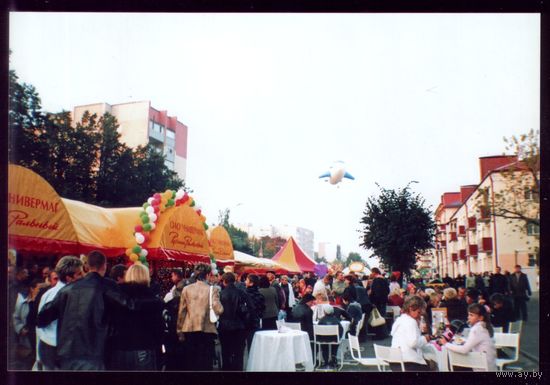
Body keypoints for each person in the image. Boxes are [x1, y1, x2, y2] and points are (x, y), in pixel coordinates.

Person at [37, 250, 140, 370]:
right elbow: (129, 307)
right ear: (104, 266)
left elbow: (42, 317)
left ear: (86, 266)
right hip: (94, 353)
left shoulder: (67, 289)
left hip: (67, 353)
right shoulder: (107, 286)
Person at [108, 263, 164, 370]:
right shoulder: (154, 299)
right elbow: (158, 329)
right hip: (144, 348)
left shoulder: (115, 295)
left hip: (119, 348)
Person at [35, 256, 84, 371]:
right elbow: (40, 322)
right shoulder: (59, 295)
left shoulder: (49, 293)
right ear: (69, 278)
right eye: (79, 274)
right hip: (55, 350)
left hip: (51, 347)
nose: (83, 276)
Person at [176, 263, 223, 371]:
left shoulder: (186, 289)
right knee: (205, 362)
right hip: (207, 330)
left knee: (191, 362)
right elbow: (219, 309)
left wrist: (179, 331)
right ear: (207, 275)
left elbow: (181, 312)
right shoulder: (212, 290)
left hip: (189, 329)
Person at [440, 303, 497, 371]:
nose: (468, 317)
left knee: (453, 362)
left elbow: (464, 350)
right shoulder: (485, 326)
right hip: (490, 365)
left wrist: (446, 344)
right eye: (468, 314)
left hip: (482, 367)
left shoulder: (477, 329)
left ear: (480, 317)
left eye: (471, 315)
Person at [390, 295, 436, 371]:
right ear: (411, 308)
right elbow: (413, 343)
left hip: (395, 361)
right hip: (407, 363)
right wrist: (425, 338)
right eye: (419, 311)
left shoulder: (400, 319)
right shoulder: (411, 321)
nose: (420, 314)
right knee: (432, 366)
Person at [217, 272, 251, 371]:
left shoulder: (221, 294)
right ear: (234, 280)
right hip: (239, 326)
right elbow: (250, 308)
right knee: (238, 353)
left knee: (226, 352)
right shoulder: (242, 293)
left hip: (224, 327)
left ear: (224, 281)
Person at [317, 304, 344, 369]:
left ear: (325, 312)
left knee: (324, 346)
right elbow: (341, 330)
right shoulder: (336, 320)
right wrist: (339, 337)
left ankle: (325, 361)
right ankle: (333, 358)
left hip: (323, 339)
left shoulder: (321, 320)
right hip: (334, 339)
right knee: (335, 345)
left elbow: (318, 330)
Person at [244, 274, 265, 352]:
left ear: (251, 283)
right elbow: (262, 309)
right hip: (256, 322)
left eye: (247, 280)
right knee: (254, 346)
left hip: (246, 322)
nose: (245, 281)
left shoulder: (245, 294)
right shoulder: (260, 295)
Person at [368, 267, 389, 339]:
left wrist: (373, 302)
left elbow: (377, 292)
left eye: (371, 272)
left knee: (378, 318)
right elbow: (387, 291)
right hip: (383, 301)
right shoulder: (384, 280)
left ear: (374, 272)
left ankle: (379, 335)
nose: (371, 274)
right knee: (382, 317)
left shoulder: (377, 280)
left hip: (378, 302)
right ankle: (384, 333)